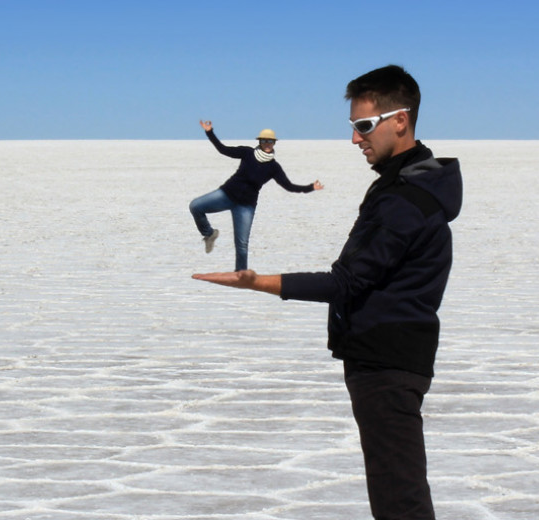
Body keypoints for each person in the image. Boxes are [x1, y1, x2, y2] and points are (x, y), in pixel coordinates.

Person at [192, 65, 461, 520]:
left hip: (387, 362)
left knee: (400, 498)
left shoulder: (403, 198)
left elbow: (345, 282)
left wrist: (255, 282)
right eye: (353, 127)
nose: (356, 140)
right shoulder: (412, 184)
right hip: (391, 354)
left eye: (363, 126)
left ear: (400, 120)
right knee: (397, 491)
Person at [189, 121, 323, 271]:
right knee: (195, 206)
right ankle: (209, 234)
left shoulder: (273, 167)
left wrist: (311, 187)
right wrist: (210, 132)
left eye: (270, 141)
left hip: (245, 206)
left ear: (274, 143)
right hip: (226, 194)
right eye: (264, 141)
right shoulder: (247, 153)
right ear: (259, 141)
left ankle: (241, 275)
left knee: (242, 244)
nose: (267, 144)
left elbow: (289, 186)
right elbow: (223, 150)